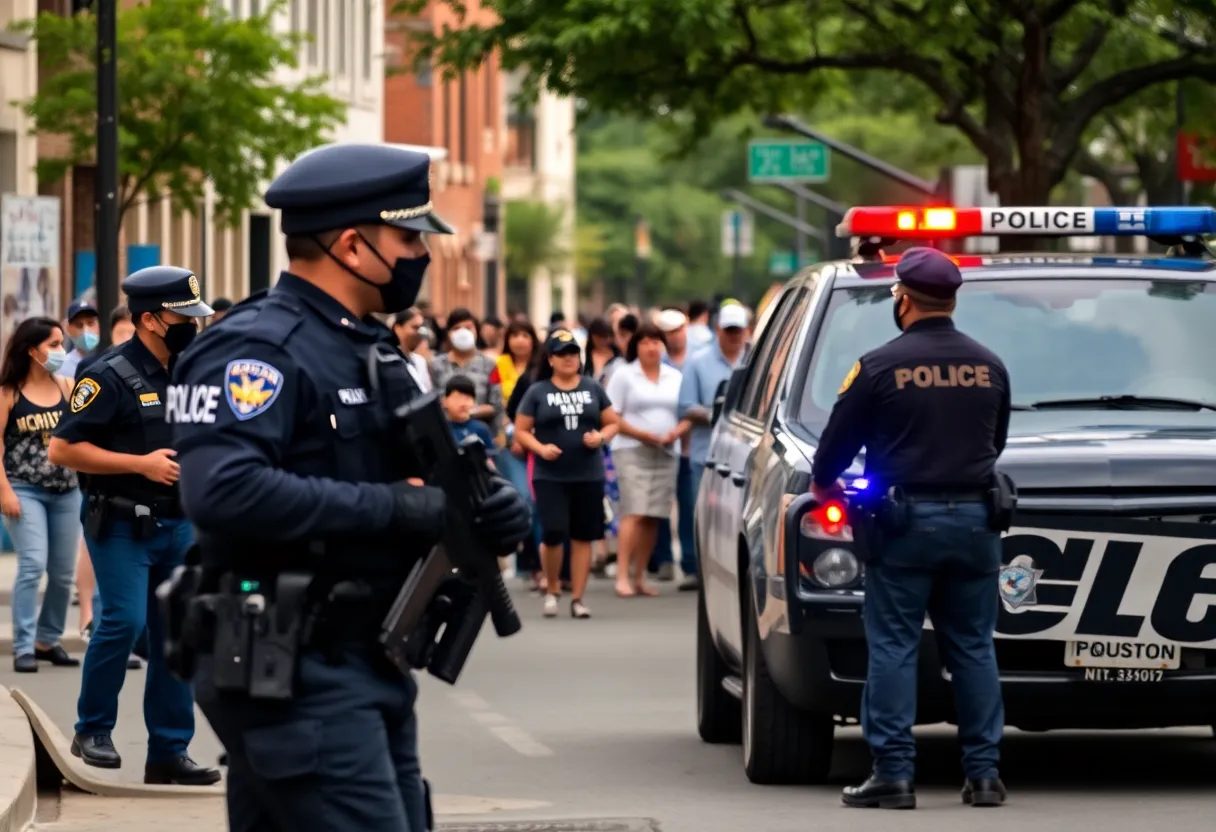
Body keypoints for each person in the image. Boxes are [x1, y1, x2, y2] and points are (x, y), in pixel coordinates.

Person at [170, 143, 531, 831]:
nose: (420, 256)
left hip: (365, 657)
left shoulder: (369, 348)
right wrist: (398, 508)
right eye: (407, 238)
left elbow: (411, 477)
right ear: (350, 246)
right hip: (293, 661)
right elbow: (224, 493)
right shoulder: (256, 351)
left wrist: (479, 510)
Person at [810, 247, 1012, 810]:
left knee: (895, 646)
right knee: (973, 646)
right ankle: (985, 775)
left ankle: (894, 775)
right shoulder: (989, 365)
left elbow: (834, 451)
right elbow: (993, 445)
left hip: (904, 526)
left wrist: (829, 489)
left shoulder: (878, 367)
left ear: (902, 299)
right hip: (976, 523)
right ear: (951, 300)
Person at [48, 266, 219, 785]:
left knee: (177, 633)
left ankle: (168, 751)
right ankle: (92, 729)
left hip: (180, 521)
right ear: (150, 319)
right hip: (121, 520)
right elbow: (62, 448)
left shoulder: (192, 368)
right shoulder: (107, 374)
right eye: (181, 315)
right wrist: (140, 464)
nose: (193, 324)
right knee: (125, 622)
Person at [515, 329, 619, 619]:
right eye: (562, 354)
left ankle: (578, 598)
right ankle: (552, 589)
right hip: (550, 475)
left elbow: (612, 422)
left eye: (573, 353)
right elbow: (521, 431)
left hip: (588, 473)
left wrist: (600, 438)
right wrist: (540, 447)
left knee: (583, 536)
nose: (569, 358)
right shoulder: (538, 392)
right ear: (550, 359)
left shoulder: (592, 388)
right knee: (553, 532)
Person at [0, 317, 82, 672]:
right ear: (31, 350)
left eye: (61, 343)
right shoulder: (9, 393)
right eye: (52, 344)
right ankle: (23, 646)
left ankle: (47, 641)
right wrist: (4, 491)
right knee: (33, 563)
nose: (59, 351)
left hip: (67, 492)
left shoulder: (68, 388)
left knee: (63, 573)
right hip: (23, 489)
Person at [605, 323, 685, 598]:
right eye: (645, 342)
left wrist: (677, 432)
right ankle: (622, 575)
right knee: (635, 510)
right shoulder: (624, 375)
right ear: (635, 346)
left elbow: (685, 412)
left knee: (654, 514)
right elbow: (611, 415)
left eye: (656, 342)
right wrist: (641, 434)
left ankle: (640, 576)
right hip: (631, 448)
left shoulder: (674, 376)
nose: (651, 347)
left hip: (666, 449)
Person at [675, 302, 749, 591]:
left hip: (743, 453)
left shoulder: (754, 359)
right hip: (707, 453)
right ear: (717, 330)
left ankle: (729, 570)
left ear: (746, 330)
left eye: (738, 330)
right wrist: (713, 414)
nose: (733, 336)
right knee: (701, 511)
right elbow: (684, 406)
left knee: (735, 517)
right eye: (728, 330)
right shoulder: (698, 361)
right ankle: (697, 568)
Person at [491, 320, 542, 585]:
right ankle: (527, 560)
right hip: (510, 444)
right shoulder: (498, 366)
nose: (520, 341)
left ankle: (534, 564)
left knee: (538, 502)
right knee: (522, 498)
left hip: (541, 444)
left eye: (526, 335)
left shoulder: (541, 368)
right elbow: (497, 406)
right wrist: (514, 436)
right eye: (515, 335)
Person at [649, 308, 694, 582]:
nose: (673, 336)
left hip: (690, 447)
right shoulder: (656, 361)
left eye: (677, 330)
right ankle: (663, 558)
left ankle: (690, 563)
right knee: (660, 504)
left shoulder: (697, 360)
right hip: (661, 447)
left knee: (688, 505)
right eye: (667, 332)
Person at [429, 307, 502, 436]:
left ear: (476, 331)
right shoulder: (436, 365)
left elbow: (496, 405)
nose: (462, 333)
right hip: (446, 434)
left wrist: (469, 411)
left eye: (468, 328)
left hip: (480, 434)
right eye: (457, 328)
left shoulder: (489, 364)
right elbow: (432, 401)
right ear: (448, 333)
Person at [443, 374, 494, 447]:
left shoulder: (481, 428)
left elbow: (491, 454)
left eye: (467, 399)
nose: (463, 404)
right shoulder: (442, 431)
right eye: (457, 398)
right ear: (444, 402)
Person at [391, 307, 432, 393]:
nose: (419, 332)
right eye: (415, 327)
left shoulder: (420, 362)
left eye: (421, 328)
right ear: (398, 329)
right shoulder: (388, 360)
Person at [59, 300, 101, 380]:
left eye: (90, 323)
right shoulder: (61, 367)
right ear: (68, 329)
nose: (86, 330)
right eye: (79, 325)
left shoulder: (109, 360)